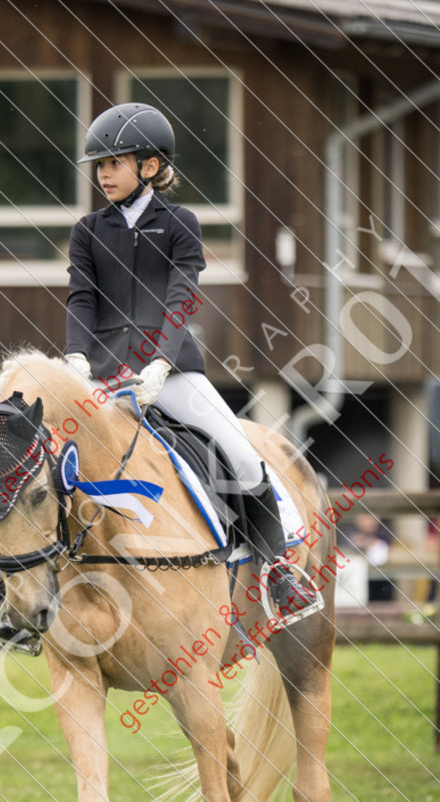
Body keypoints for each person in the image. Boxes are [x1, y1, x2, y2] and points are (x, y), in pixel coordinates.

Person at [66, 102, 314, 617]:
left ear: (150, 166)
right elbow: (82, 298)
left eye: (114, 162)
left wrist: (160, 364)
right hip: (102, 374)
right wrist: (75, 357)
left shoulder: (180, 223)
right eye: (99, 164)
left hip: (171, 371)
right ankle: (30, 594)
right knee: (48, 462)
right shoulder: (88, 230)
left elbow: (180, 299)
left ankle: (278, 573)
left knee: (240, 452)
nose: (103, 172)